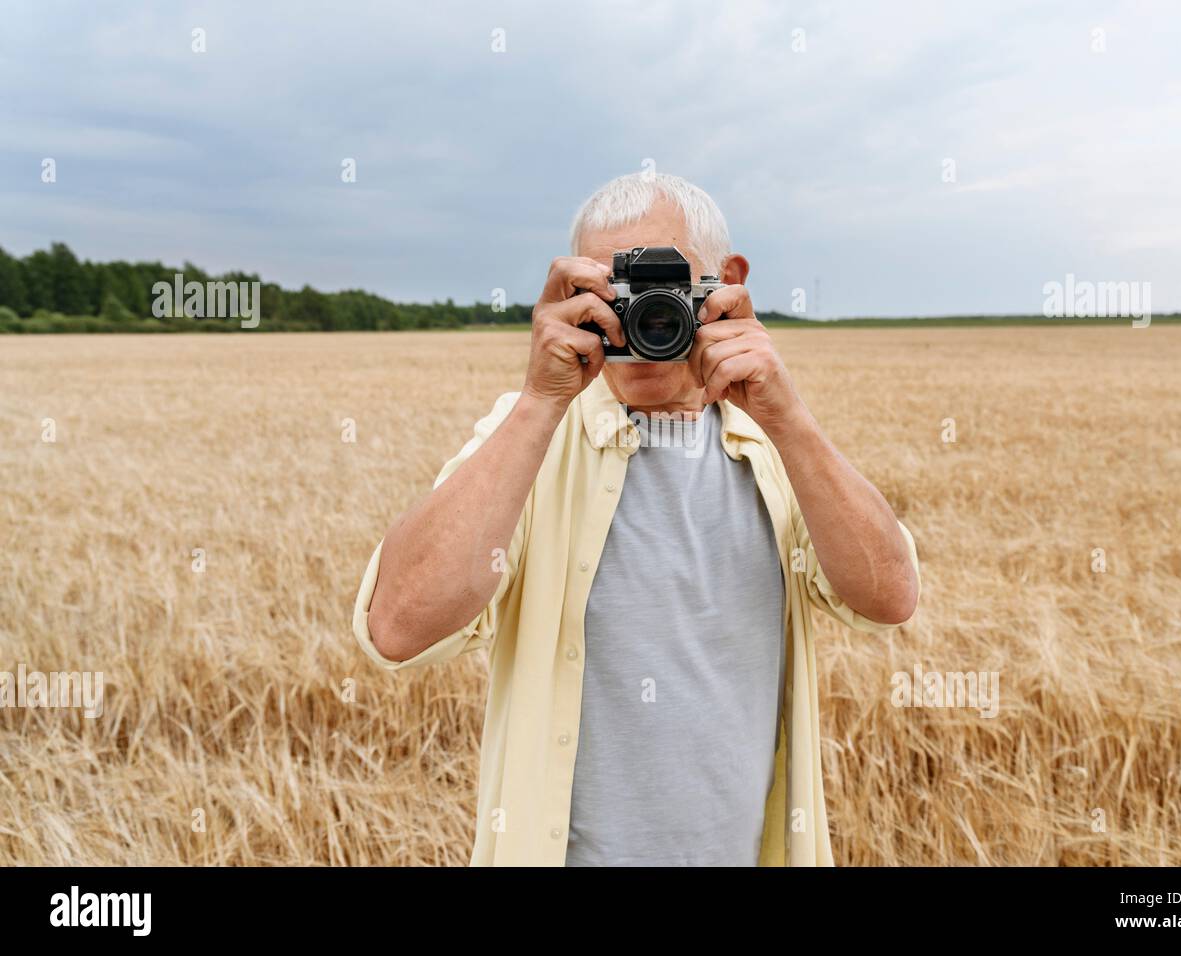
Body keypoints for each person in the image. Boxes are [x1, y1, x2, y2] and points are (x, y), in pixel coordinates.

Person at [351, 173, 920, 866]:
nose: (646, 316)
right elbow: (397, 626)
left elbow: (890, 598)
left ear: (729, 283)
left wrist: (790, 420)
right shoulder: (530, 436)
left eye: (668, 291)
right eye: (615, 294)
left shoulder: (776, 450)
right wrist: (538, 401)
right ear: (572, 295)